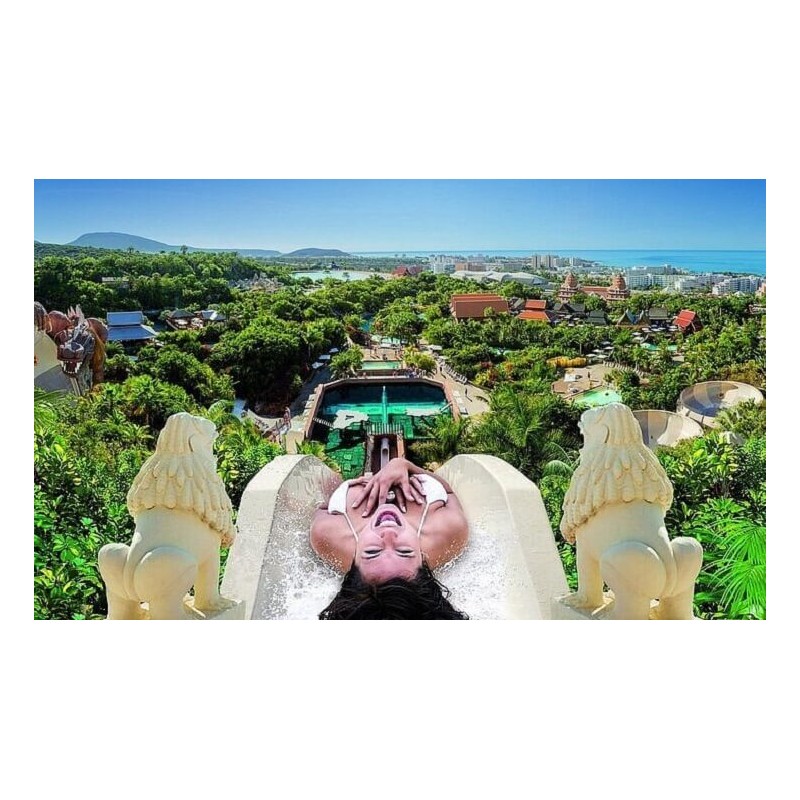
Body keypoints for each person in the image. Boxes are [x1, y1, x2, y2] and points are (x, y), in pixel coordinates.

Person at [311, 457, 469, 619]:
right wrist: (404, 465)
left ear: (354, 560)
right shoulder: (448, 532)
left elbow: (323, 505)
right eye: (404, 551)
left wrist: (347, 487)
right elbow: (449, 492)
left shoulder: (329, 535)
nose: (388, 534)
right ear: (422, 560)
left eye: (372, 552)